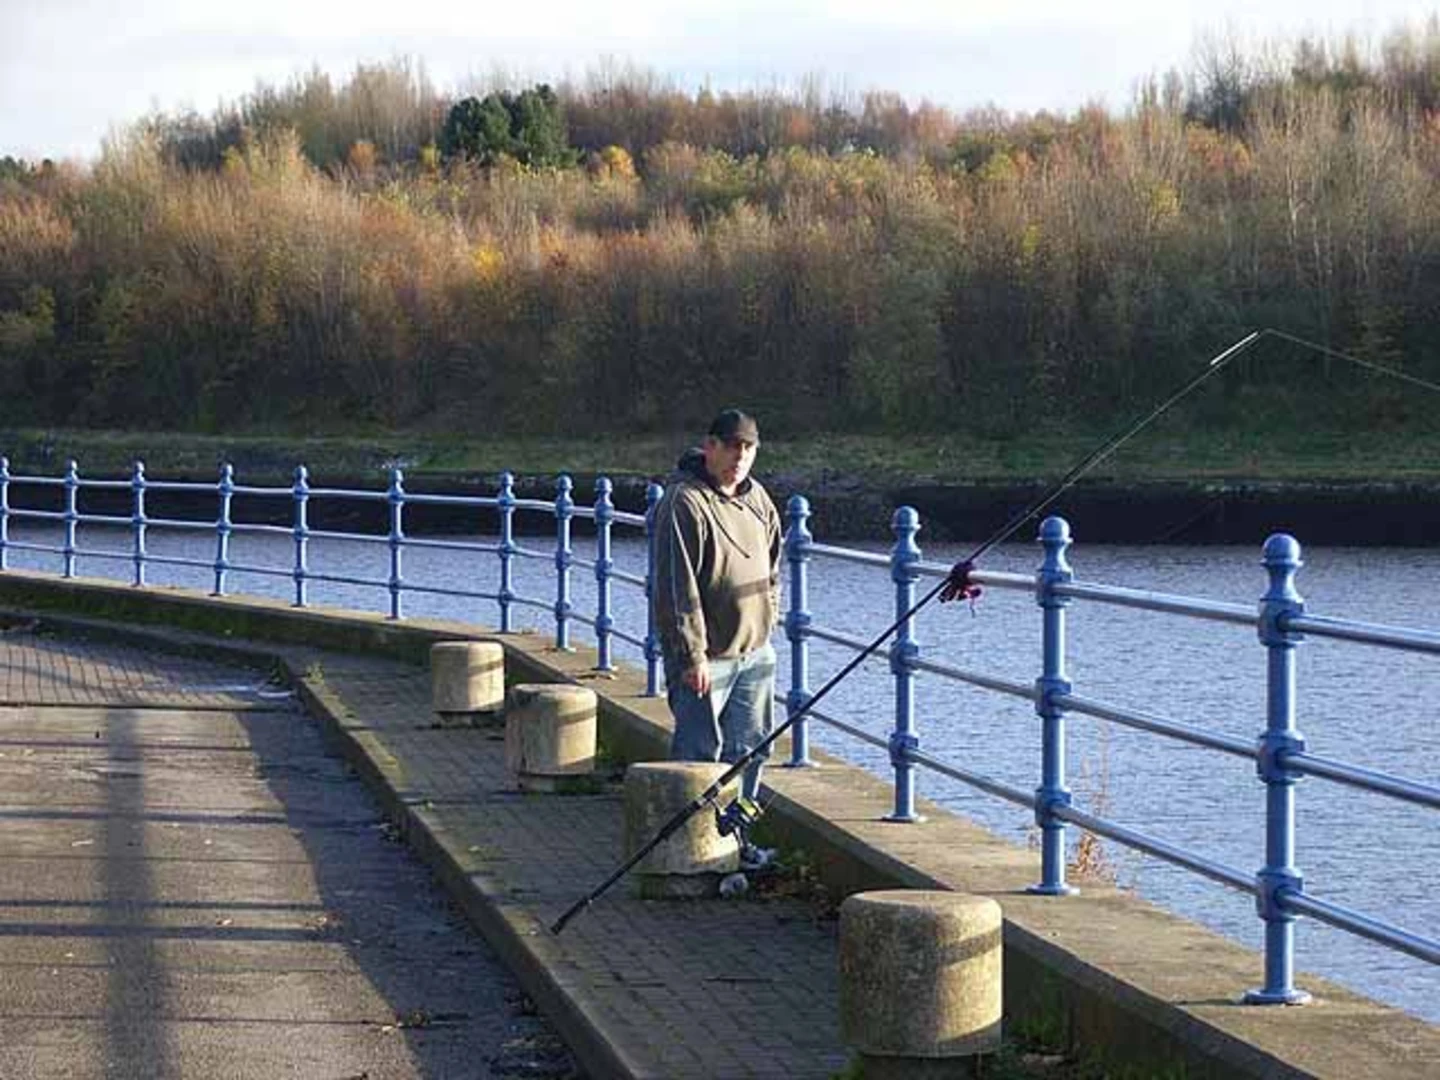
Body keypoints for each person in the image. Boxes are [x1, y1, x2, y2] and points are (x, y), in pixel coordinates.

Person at [651, 408, 782, 870]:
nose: (739, 457)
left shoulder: (759, 499)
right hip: (707, 659)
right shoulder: (683, 503)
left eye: (748, 448)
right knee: (698, 754)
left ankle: (737, 845)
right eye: (731, 447)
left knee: (750, 750)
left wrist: (769, 622)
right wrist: (691, 655)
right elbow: (675, 586)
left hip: (755, 651)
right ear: (710, 447)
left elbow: (772, 565)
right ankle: (689, 851)